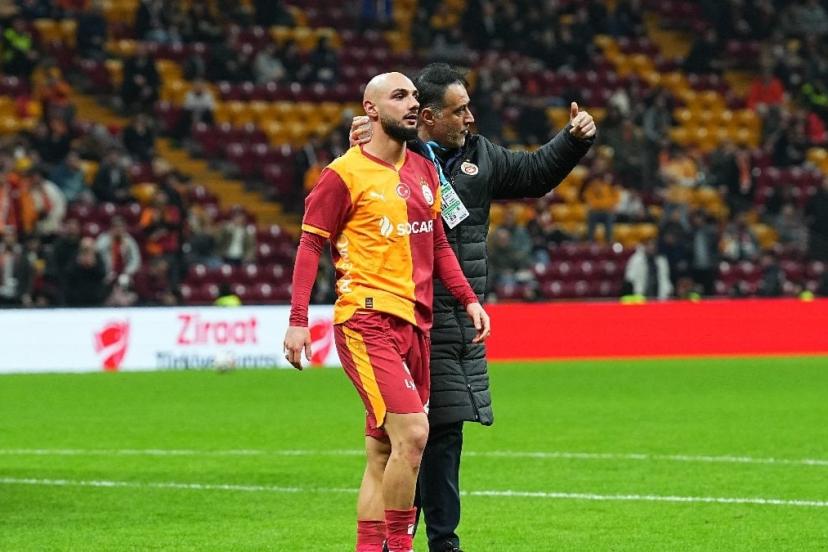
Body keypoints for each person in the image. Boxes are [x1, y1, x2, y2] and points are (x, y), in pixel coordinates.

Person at [351, 63, 594, 552]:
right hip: (409, 315)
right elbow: (354, 188)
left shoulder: (481, 157)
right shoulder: (397, 156)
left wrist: (572, 140)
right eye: (459, 111)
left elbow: (535, 174)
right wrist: (366, 136)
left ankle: (418, 541)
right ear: (428, 117)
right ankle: (427, 542)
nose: (469, 118)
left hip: (460, 319)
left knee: (436, 435)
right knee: (420, 438)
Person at [284, 72, 491, 552]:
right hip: (366, 319)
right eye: (400, 96)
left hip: (416, 325)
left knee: (382, 452)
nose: (412, 103)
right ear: (371, 109)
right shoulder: (343, 174)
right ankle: (400, 547)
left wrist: (468, 298)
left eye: (415, 96)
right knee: (415, 435)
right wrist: (298, 321)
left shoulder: (423, 171)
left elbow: (437, 243)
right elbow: (310, 246)